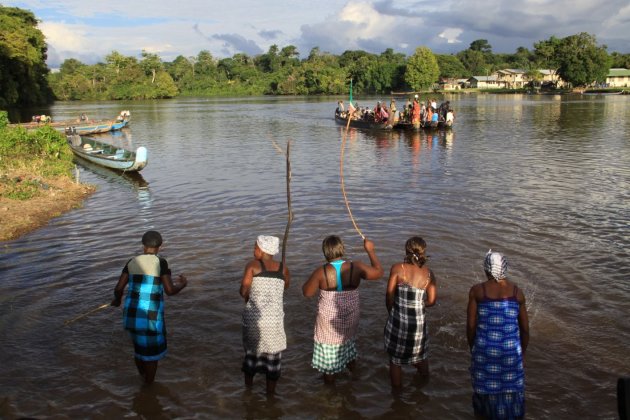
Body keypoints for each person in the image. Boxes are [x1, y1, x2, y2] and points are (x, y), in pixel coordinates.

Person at [303, 236, 383, 384]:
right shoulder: (356, 267)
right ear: (342, 249)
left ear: (325, 252)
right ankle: (354, 378)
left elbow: (307, 293)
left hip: (328, 320)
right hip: (351, 315)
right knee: (348, 342)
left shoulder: (321, 272)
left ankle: (330, 390)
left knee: (328, 354)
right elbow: (379, 272)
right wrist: (370, 251)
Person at [111, 230, 188, 384]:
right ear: (160, 246)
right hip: (150, 317)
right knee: (151, 356)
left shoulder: (132, 261)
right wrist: (183, 284)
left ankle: (142, 379)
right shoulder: (161, 263)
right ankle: (148, 388)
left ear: (143, 245)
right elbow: (170, 290)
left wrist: (117, 301)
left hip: (131, 314)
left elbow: (119, 288)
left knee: (139, 350)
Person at [467, 250, 529, 419]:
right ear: (505, 268)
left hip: (484, 352)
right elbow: (525, 330)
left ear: (486, 269)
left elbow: (471, 326)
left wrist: (473, 348)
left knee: (483, 399)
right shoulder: (517, 293)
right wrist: (522, 352)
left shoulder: (477, 291)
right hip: (511, 354)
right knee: (512, 393)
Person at [384, 237, 437, 388]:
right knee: (420, 356)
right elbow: (432, 301)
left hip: (398, 321)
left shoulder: (397, 268)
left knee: (395, 360)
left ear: (406, 250)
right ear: (423, 252)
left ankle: (397, 398)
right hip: (418, 325)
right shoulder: (429, 274)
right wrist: (418, 304)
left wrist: (392, 312)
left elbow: (389, 296)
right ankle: (424, 383)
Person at [240, 235, 290, 394]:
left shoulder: (253, 265)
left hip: (255, 319)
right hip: (274, 321)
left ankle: (248, 391)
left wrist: (247, 294)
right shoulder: (283, 268)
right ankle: (270, 395)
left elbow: (243, 291)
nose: (253, 250)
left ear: (261, 250)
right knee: (273, 360)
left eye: (255, 247)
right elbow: (285, 287)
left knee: (251, 356)